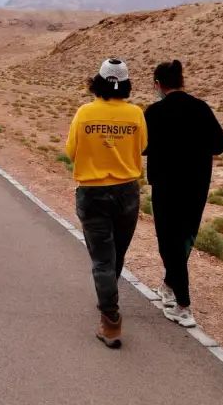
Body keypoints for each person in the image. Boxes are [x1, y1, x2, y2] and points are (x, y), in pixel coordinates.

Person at [65, 58, 147, 349]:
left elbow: (71, 151)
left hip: (93, 193)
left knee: (102, 258)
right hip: (126, 193)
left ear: (98, 82)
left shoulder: (85, 113)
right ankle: (108, 299)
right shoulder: (136, 114)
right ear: (125, 85)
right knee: (117, 253)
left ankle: (111, 320)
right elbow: (142, 147)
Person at [144, 60, 223, 329]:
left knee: (168, 242)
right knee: (184, 239)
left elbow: (143, 147)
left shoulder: (154, 112)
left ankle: (183, 306)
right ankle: (168, 286)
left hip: (166, 186)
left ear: (158, 84)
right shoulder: (201, 108)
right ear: (181, 82)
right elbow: (221, 144)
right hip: (196, 185)